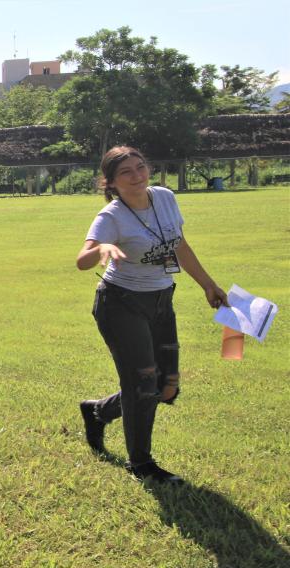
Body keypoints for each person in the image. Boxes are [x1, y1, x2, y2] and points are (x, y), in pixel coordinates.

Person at [76, 146, 228, 484]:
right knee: (143, 384)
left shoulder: (164, 198)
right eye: (126, 172)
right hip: (122, 305)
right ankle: (141, 464)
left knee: (165, 386)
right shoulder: (111, 216)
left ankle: (98, 411)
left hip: (161, 300)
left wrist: (208, 285)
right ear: (111, 182)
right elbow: (82, 258)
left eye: (140, 166)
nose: (137, 175)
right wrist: (101, 248)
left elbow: (179, 245)